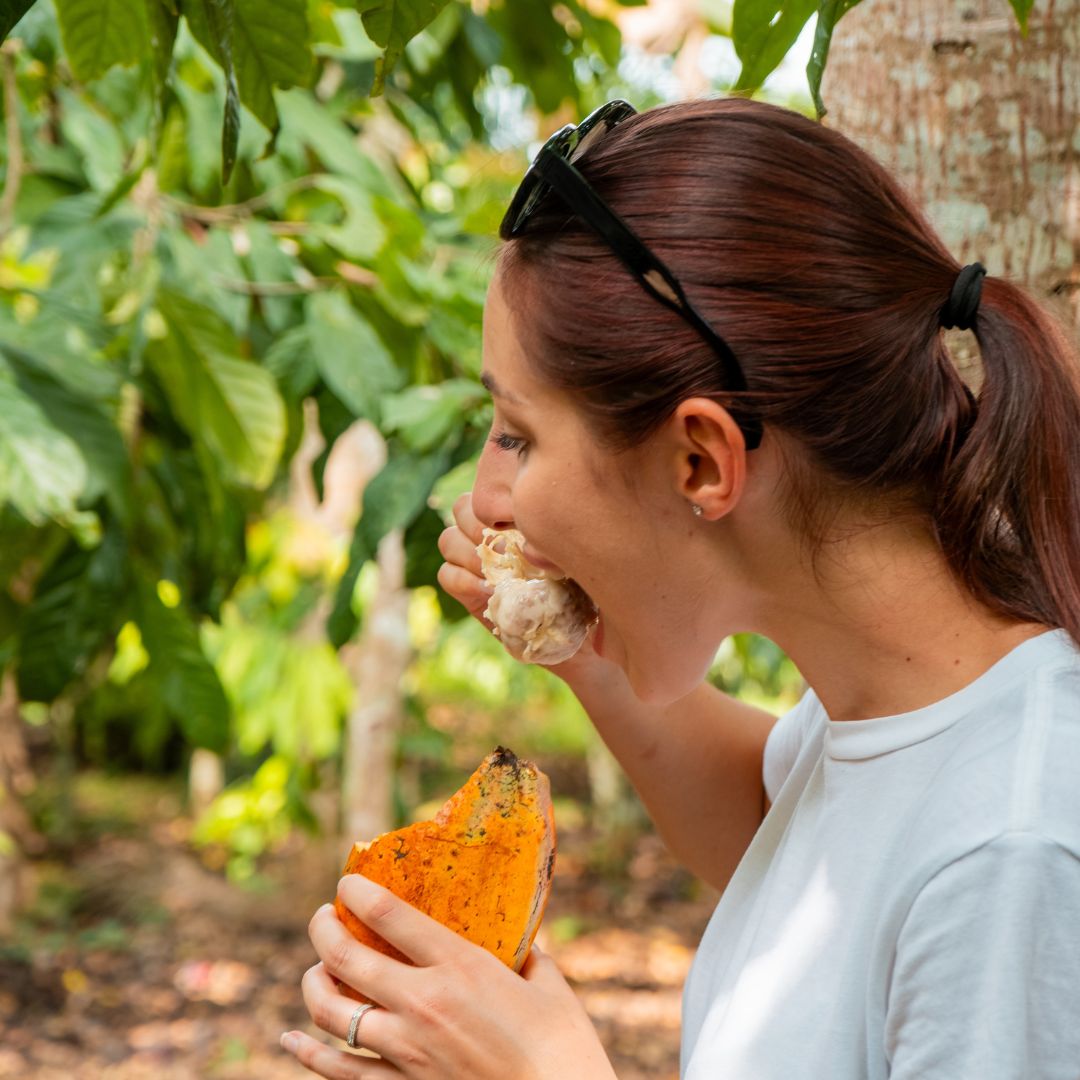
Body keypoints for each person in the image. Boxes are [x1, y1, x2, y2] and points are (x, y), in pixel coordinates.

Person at [281, 97, 1080, 1079]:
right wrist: (596, 664)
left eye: (519, 435)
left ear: (700, 462)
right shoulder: (894, 713)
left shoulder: (1013, 856)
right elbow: (774, 829)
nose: (487, 498)